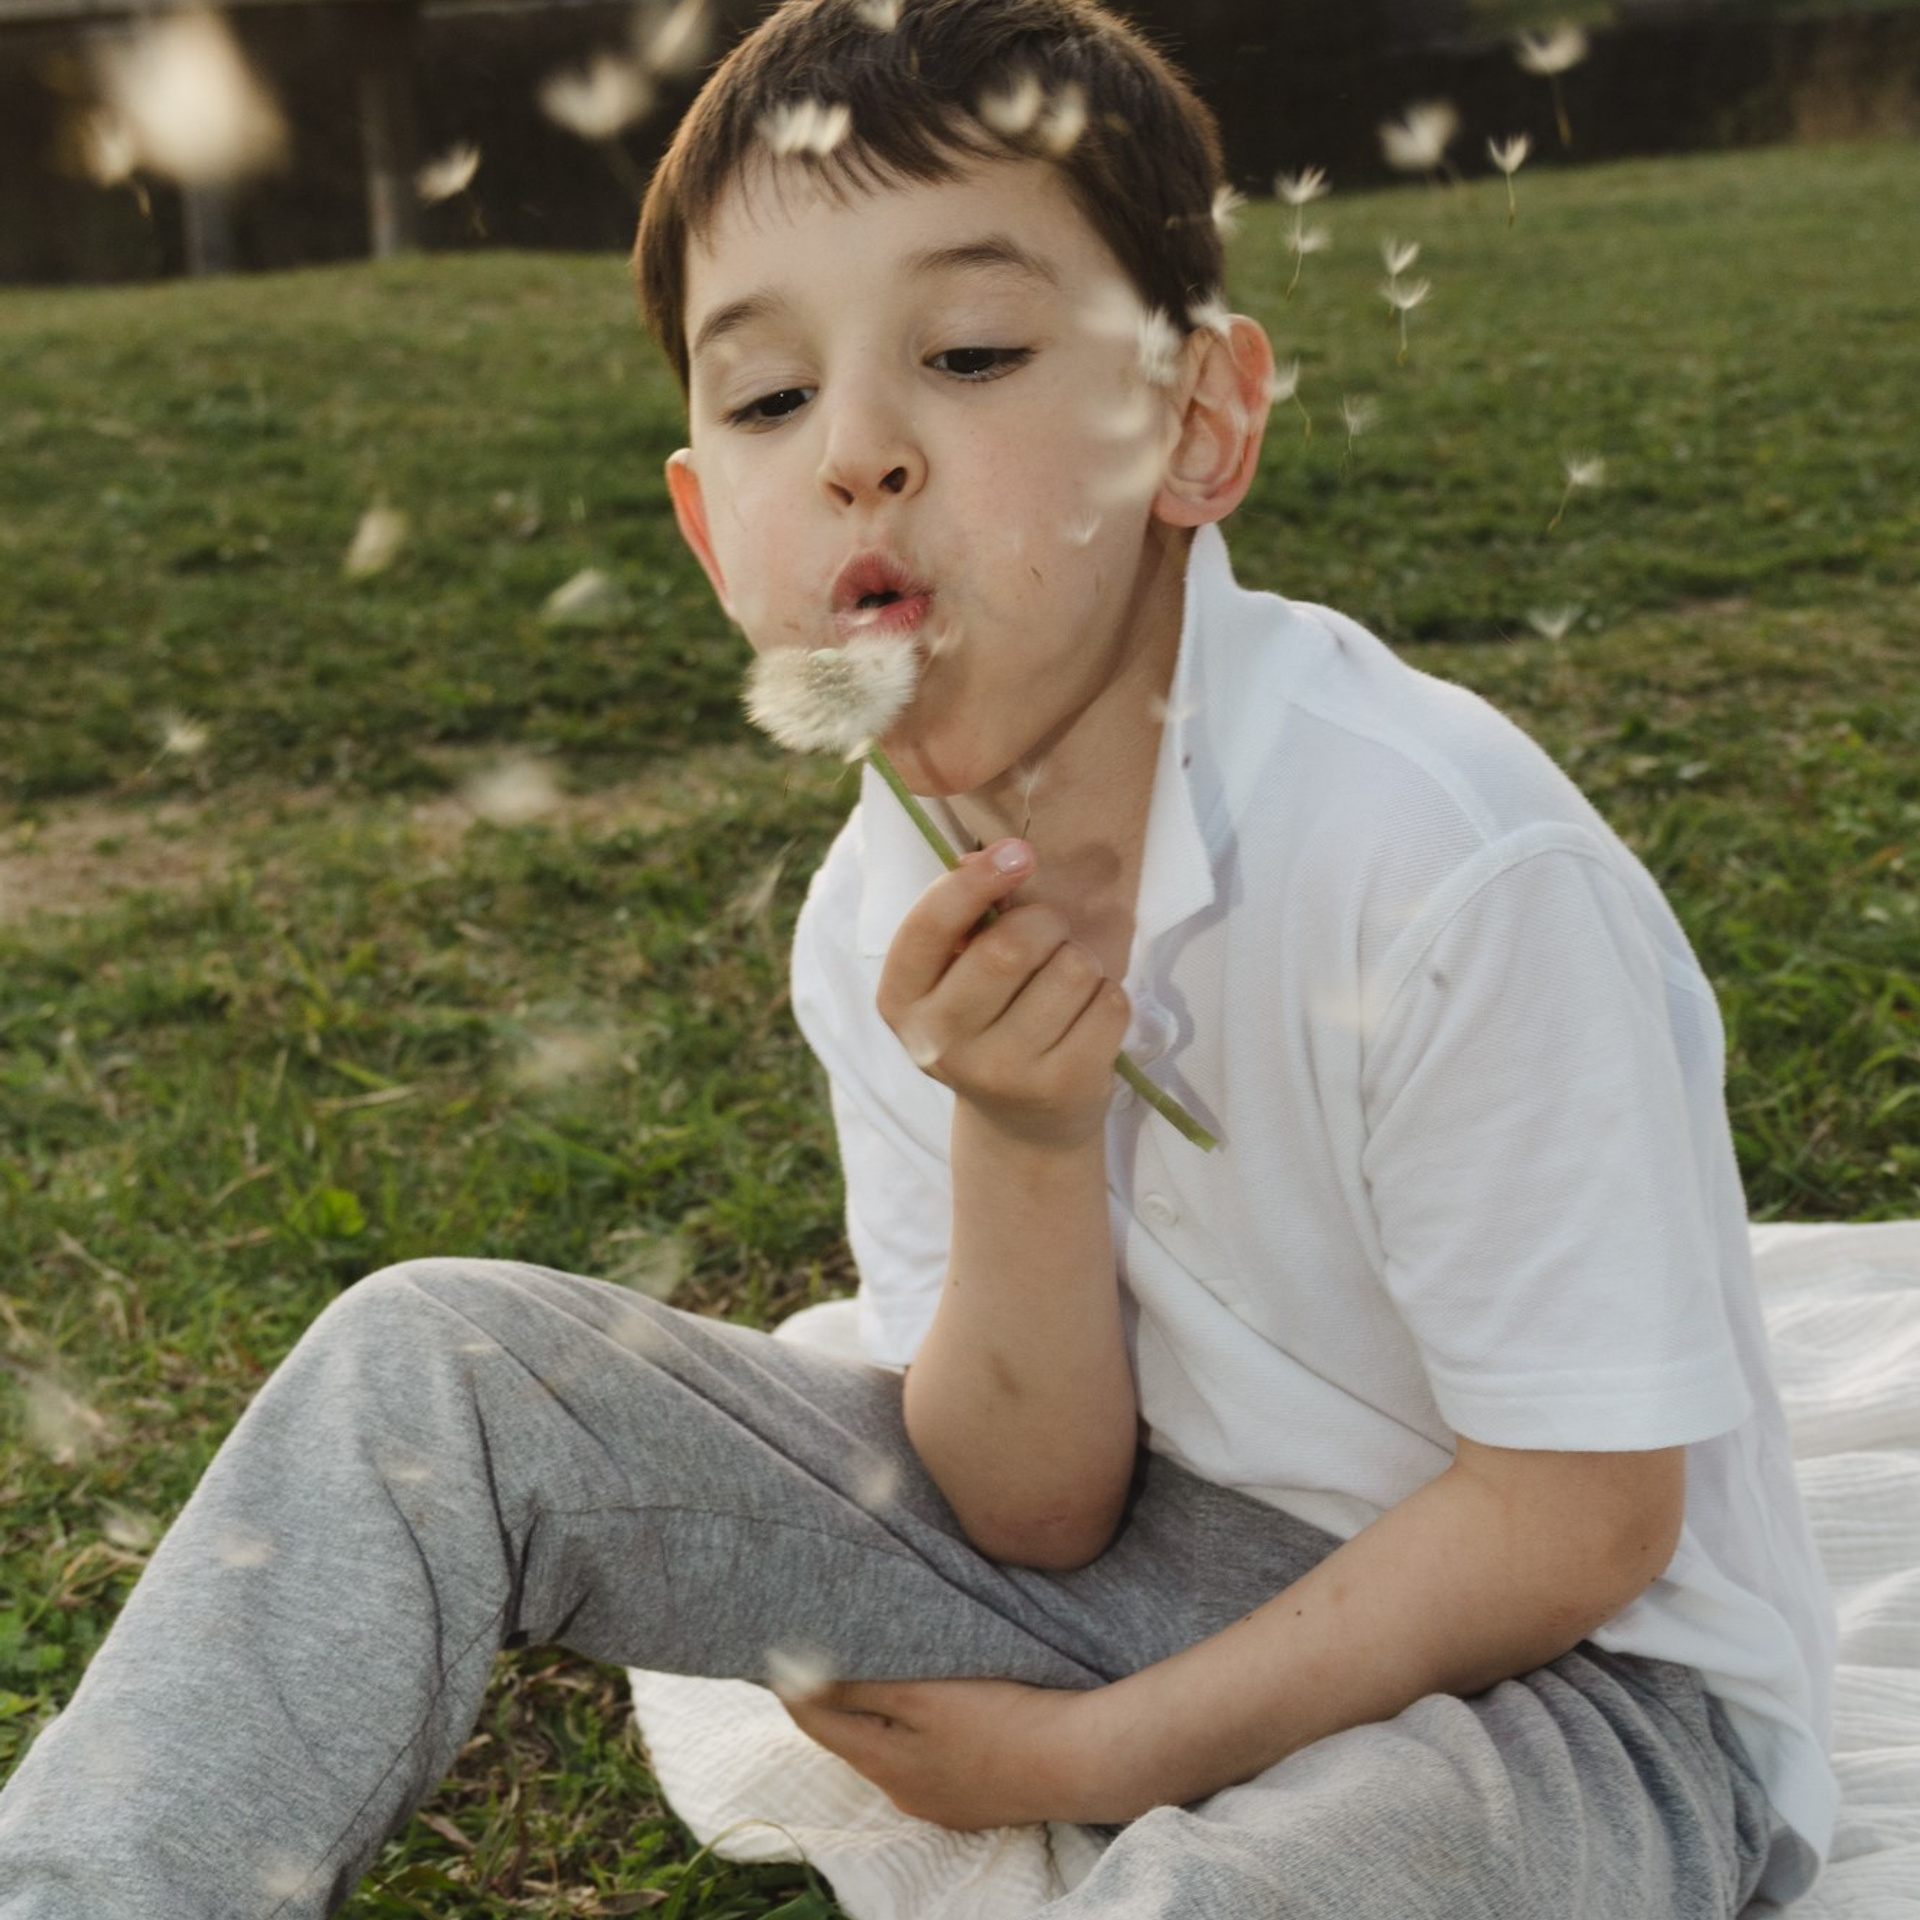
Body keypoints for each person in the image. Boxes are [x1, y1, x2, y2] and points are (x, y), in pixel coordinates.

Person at [0, 2, 1836, 1915]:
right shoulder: (878, 904)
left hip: (1567, 1697)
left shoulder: (1441, 856)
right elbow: (1033, 1511)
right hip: (1144, 1569)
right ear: (715, 534)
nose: (860, 451)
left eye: (967, 354)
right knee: (433, 1367)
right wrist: (1026, 1139)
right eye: (773, 400)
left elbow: (1584, 1517)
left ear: (1195, 423)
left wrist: (1092, 1763)